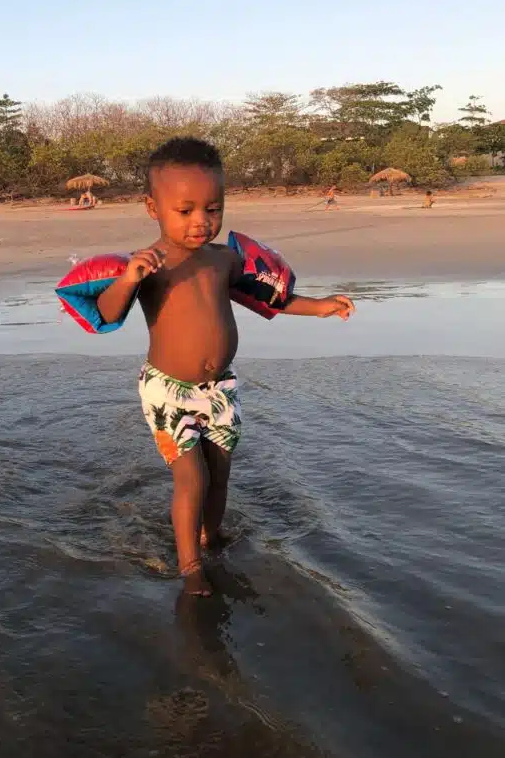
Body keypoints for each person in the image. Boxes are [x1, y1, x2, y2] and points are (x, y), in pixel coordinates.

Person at [97, 137, 355, 597]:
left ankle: (209, 537)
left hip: (221, 389)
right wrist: (127, 278)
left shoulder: (224, 260)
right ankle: (190, 565)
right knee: (191, 476)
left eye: (213, 209)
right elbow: (110, 313)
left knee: (221, 472)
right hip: (168, 389)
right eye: (186, 210)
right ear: (151, 207)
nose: (202, 222)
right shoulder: (150, 266)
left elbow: (266, 299)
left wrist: (319, 307)